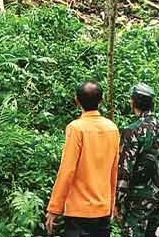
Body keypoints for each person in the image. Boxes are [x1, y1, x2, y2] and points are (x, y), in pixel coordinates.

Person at [46, 81, 120, 237]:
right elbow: (114, 171)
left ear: (77, 101)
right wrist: (112, 203)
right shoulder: (112, 128)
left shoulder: (76, 128)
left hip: (79, 212)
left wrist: (54, 208)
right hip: (103, 209)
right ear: (101, 100)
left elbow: (67, 170)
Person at [114, 83, 159, 237]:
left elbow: (125, 170)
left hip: (138, 202)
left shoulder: (132, 130)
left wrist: (118, 201)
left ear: (132, 102)